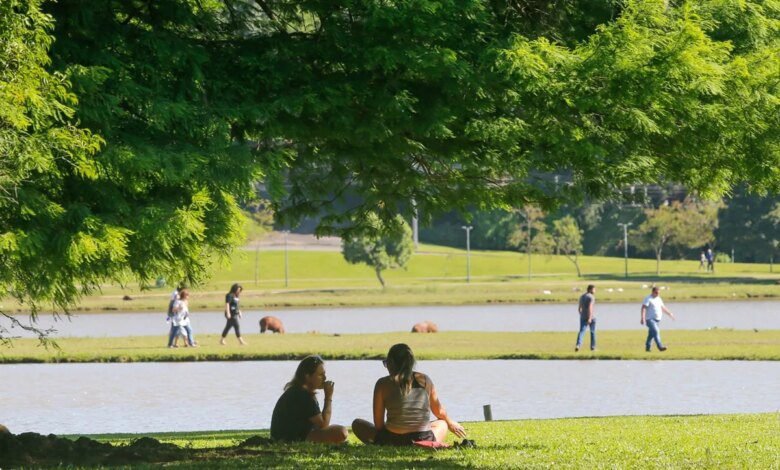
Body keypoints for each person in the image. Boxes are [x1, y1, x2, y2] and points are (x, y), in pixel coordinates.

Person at [352, 343, 467, 446]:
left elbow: (378, 425)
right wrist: (450, 423)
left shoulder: (382, 384)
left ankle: (381, 444)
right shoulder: (425, 380)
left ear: (392, 363)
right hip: (422, 438)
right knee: (442, 423)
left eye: (386, 363)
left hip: (391, 440)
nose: (386, 367)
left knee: (357, 424)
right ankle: (427, 444)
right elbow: (439, 411)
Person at [270, 355, 349, 443]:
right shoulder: (302, 395)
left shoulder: (298, 390)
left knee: (341, 430)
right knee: (341, 432)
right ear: (307, 376)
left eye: (324, 374)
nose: (325, 378)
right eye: (320, 375)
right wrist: (328, 397)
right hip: (290, 438)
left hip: (289, 436)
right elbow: (323, 425)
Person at [641, 286, 675, 352]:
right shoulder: (648, 298)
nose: (657, 294)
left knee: (651, 334)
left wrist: (669, 313)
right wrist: (642, 318)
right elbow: (643, 308)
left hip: (657, 320)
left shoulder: (658, 298)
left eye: (658, 293)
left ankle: (647, 348)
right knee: (656, 331)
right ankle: (660, 346)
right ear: (653, 292)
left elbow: (662, 307)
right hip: (650, 319)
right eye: (656, 293)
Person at [575, 285, 596, 352]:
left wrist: (582, 315)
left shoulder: (582, 296)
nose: (595, 291)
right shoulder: (591, 297)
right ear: (590, 290)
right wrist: (589, 318)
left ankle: (578, 345)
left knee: (582, 331)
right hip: (591, 317)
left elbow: (579, 309)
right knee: (592, 332)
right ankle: (593, 347)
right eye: (594, 289)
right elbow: (590, 307)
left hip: (583, 317)